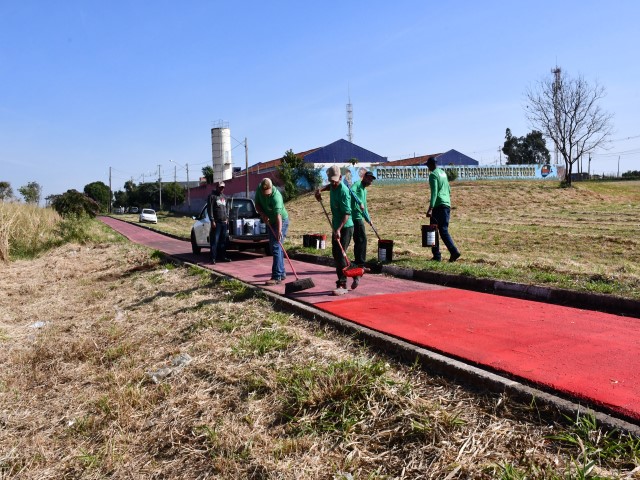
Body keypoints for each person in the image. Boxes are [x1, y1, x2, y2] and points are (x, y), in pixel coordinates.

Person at [315, 165, 353, 295]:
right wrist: (319, 190)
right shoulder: (332, 185)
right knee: (336, 254)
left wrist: (339, 229)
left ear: (341, 178)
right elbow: (328, 187)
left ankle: (342, 284)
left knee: (340, 254)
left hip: (346, 226)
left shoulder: (343, 191)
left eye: (336, 181)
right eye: (331, 181)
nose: (333, 183)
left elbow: (347, 213)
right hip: (335, 226)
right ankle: (354, 271)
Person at [254, 178, 289, 285]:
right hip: (270, 221)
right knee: (276, 247)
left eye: (268, 194)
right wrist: (263, 214)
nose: (266, 195)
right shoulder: (259, 190)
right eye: (264, 193)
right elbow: (257, 205)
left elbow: (279, 216)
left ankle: (276, 276)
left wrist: (279, 231)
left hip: (281, 221)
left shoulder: (276, 197)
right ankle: (282, 273)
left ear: (271, 188)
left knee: (276, 247)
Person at [426, 157, 461, 262]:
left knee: (433, 230)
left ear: (431, 165)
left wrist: (431, 208)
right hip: (447, 205)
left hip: (438, 206)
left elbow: (434, 192)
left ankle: (437, 256)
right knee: (443, 230)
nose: (427, 167)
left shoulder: (433, 175)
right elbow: (449, 189)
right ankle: (453, 252)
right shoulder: (443, 173)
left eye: (428, 165)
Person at [349, 171, 376, 289]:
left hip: (360, 216)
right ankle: (360, 264)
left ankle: (358, 263)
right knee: (362, 240)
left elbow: (364, 207)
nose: (370, 181)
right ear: (364, 177)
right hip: (355, 216)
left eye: (371, 180)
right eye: (369, 179)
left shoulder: (364, 190)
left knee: (360, 240)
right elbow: (351, 191)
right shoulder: (357, 185)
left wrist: (369, 219)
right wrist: (359, 202)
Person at [207, 181, 231, 264]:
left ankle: (223, 256)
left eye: (223, 187)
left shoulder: (224, 197)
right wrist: (212, 220)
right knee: (215, 241)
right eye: (220, 187)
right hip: (216, 222)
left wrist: (227, 218)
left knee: (223, 241)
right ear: (217, 187)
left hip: (224, 222)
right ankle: (213, 257)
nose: (222, 189)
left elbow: (227, 208)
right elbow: (210, 209)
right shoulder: (212, 196)